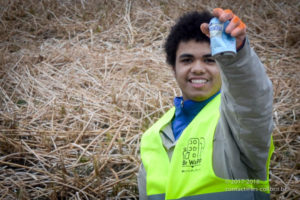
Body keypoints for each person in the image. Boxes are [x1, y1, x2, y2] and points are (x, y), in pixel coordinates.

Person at [138, 8, 274, 200]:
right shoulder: (154, 136)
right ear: (174, 69)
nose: (198, 69)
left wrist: (236, 57)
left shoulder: (237, 120)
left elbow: (251, 100)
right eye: (187, 60)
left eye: (210, 60)